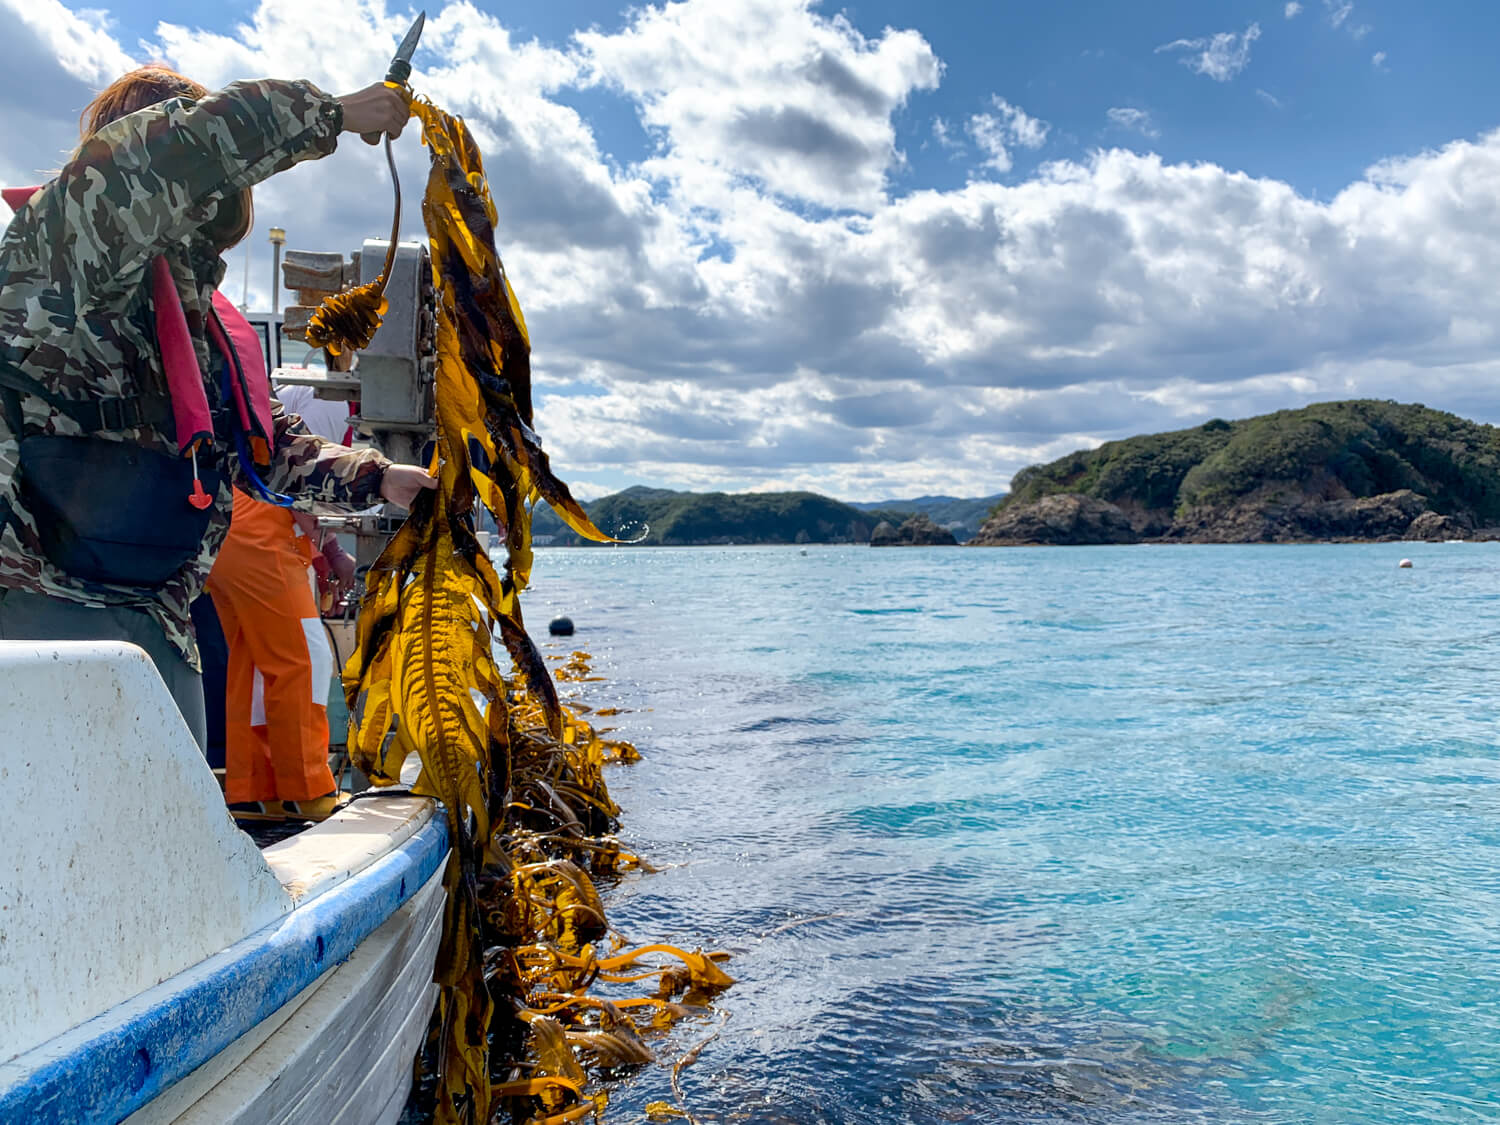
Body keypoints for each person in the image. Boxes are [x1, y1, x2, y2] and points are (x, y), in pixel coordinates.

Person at [0, 65, 435, 753]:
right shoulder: (64, 245)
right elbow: (163, 157)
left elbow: (264, 443)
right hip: (32, 600)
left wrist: (377, 477)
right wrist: (333, 114)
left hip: (158, 613)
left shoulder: (201, 321)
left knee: (175, 824)